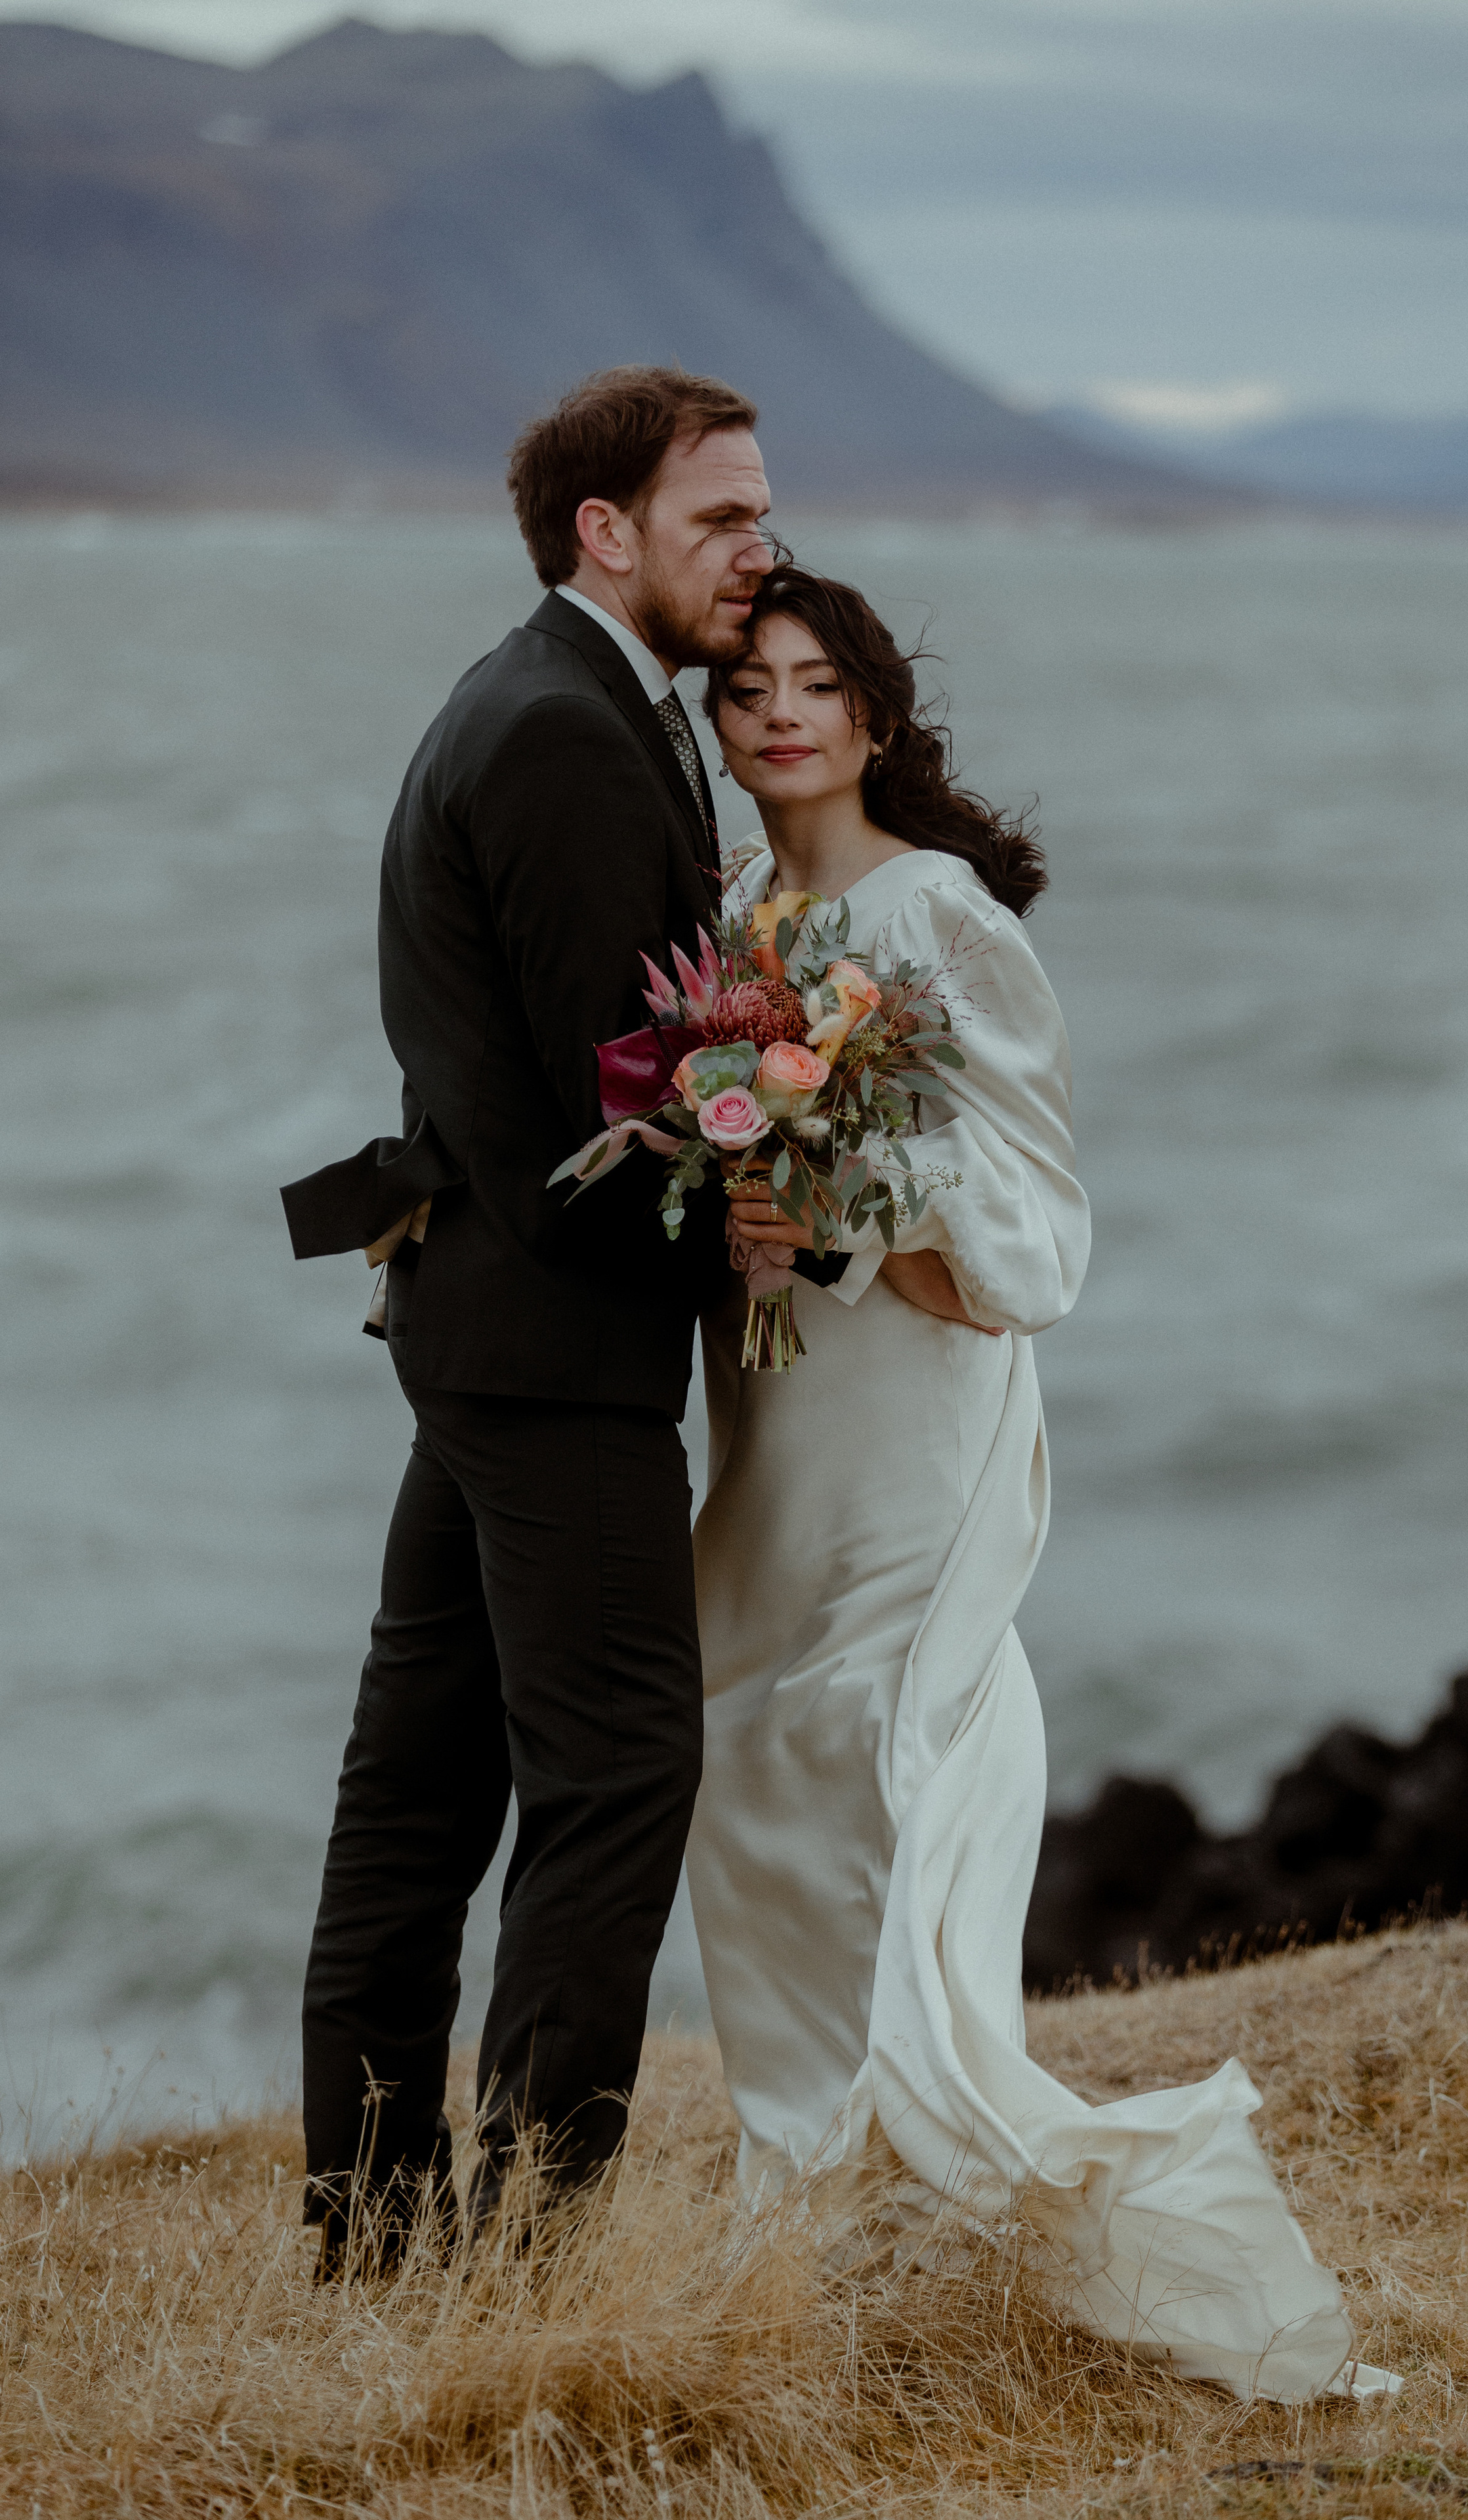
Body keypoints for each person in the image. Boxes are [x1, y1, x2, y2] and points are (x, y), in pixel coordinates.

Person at [685, 567, 1398, 2403]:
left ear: (874, 714)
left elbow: (1033, 1233)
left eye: (817, 683)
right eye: (749, 683)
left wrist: (833, 1210)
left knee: (867, 1743)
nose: (780, 712)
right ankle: (809, 2200)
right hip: (772, 1411)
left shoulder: (938, 914)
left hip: (914, 1410)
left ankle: (932, 2182)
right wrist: (738, 1206)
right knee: (753, 1750)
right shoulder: (735, 913)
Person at [280, 365, 773, 2274]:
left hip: (481, 1338)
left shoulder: (564, 701)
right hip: (552, 1355)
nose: (758, 548)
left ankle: (375, 2241)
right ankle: (522, 2263)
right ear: (605, 531)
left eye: (758, 514)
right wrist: (749, 1220)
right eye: (720, 516)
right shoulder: (563, 732)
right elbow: (595, 1119)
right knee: (619, 1769)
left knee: (418, 1792)